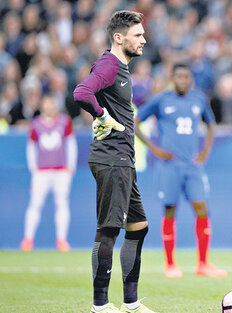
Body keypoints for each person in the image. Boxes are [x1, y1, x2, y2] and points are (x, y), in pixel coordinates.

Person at [73, 10, 156, 313]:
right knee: (108, 229)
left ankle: (131, 303)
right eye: (138, 35)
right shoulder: (109, 64)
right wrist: (101, 115)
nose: (144, 39)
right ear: (119, 38)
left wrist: (102, 113)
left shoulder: (120, 68)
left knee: (139, 227)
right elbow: (82, 92)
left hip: (122, 159)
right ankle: (99, 305)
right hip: (111, 159)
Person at [135, 63, 227, 278]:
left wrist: (205, 152)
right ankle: (170, 264)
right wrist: (155, 149)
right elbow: (136, 122)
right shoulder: (161, 99)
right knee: (170, 210)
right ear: (172, 78)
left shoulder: (199, 99)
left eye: (186, 77)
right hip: (170, 166)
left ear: (190, 79)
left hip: (193, 166)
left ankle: (203, 264)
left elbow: (211, 124)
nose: (183, 80)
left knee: (202, 209)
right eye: (179, 76)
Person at [20, 94, 77, 252]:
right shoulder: (36, 124)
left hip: (61, 170)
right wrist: (34, 168)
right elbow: (31, 147)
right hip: (42, 171)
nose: (49, 107)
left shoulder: (65, 121)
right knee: (35, 204)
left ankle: (61, 239)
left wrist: (70, 166)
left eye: (51, 103)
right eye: (46, 104)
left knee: (62, 202)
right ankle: (28, 239)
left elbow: (71, 143)